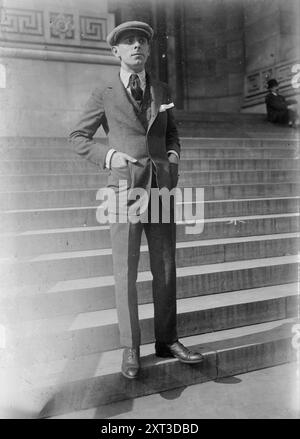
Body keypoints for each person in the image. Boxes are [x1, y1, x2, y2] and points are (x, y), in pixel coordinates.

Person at [69, 21, 203, 379]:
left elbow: (171, 133)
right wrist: (109, 157)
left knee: (165, 267)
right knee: (125, 270)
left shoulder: (160, 88)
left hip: (159, 187)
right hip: (123, 190)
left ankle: (167, 339)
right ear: (116, 51)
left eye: (141, 41)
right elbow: (78, 137)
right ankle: (130, 347)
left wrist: (172, 157)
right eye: (128, 42)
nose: (136, 47)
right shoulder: (105, 91)